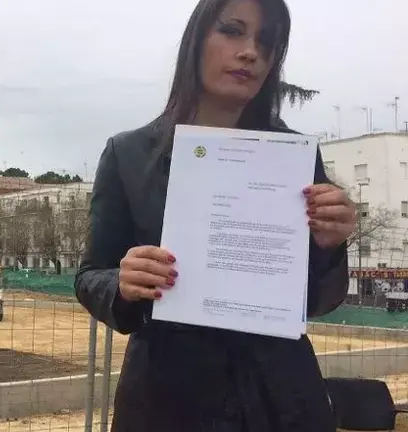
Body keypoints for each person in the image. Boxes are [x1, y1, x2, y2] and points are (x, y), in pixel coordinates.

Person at [74, 0, 357, 430]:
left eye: (266, 41)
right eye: (232, 31)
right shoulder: (128, 154)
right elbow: (90, 275)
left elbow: (319, 300)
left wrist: (331, 246)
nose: (250, 52)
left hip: (280, 399)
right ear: (196, 40)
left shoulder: (293, 159)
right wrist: (123, 283)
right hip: (167, 397)